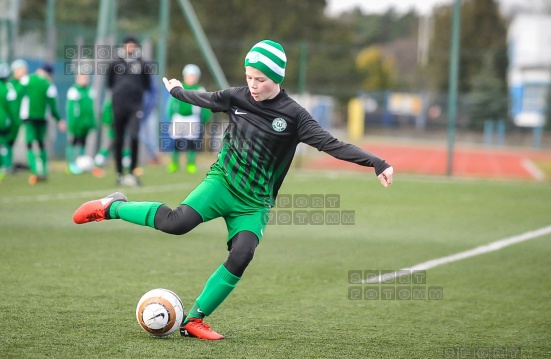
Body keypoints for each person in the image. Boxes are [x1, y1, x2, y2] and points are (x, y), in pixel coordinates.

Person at [73, 39, 394, 340]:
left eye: (260, 79)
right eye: (249, 77)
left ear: (277, 78)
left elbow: (332, 144)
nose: (253, 85)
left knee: (242, 254)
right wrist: (178, 92)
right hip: (222, 182)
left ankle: (194, 320)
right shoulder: (237, 96)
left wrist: (377, 162)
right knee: (176, 223)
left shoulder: (295, 116)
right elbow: (207, 99)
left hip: (255, 203)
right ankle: (111, 206)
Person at [106, 35, 151, 186]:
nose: (130, 48)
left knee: (133, 136)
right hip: (118, 105)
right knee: (118, 139)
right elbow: (110, 83)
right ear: (124, 46)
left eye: (133, 45)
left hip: (135, 106)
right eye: (128, 45)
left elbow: (147, 84)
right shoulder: (115, 62)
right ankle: (119, 173)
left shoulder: (142, 64)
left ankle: (132, 172)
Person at [20, 63, 66, 184]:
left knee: (29, 144)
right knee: (41, 144)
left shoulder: (27, 79)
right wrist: (59, 119)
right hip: (42, 118)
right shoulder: (49, 85)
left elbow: (17, 95)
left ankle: (36, 170)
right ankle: (44, 171)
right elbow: (53, 106)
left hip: (28, 117)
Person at [166, 64, 212, 174]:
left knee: (192, 142)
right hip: (179, 118)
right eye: (189, 76)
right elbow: (171, 104)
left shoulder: (199, 89)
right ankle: (174, 163)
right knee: (177, 141)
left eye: (193, 76)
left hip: (193, 118)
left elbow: (205, 106)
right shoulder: (179, 87)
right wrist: (170, 115)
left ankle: (191, 164)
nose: (191, 78)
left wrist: (205, 118)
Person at [65, 72, 96, 174]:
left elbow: (91, 108)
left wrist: (92, 121)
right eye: (82, 78)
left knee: (83, 142)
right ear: (77, 79)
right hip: (76, 122)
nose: (84, 80)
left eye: (85, 78)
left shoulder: (90, 90)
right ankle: (71, 164)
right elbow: (71, 109)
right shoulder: (74, 91)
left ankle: (81, 163)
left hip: (85, 122)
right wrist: (72, 122)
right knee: (74, 141)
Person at [5, 59, 28, 175]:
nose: (23, 72)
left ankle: (11, 165)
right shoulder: (11, 85)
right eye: (20, 70)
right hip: (10, 118)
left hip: (20, 118)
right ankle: (6, 165)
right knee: (7, 141)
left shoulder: (25, 83)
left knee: (13, 142)